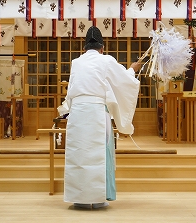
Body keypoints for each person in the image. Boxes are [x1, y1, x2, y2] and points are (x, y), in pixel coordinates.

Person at [59, 26, 141, 209]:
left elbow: (71, 91)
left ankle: (79, 198)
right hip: (96, 111)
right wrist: (133, 69)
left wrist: (66, 110)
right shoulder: (106, 60)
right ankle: (98, 198)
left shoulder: (76, 62)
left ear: (84, 48)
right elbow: (123, 81)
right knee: (99, 154)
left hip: (78, 113)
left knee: (79, 154)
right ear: (102, 48)